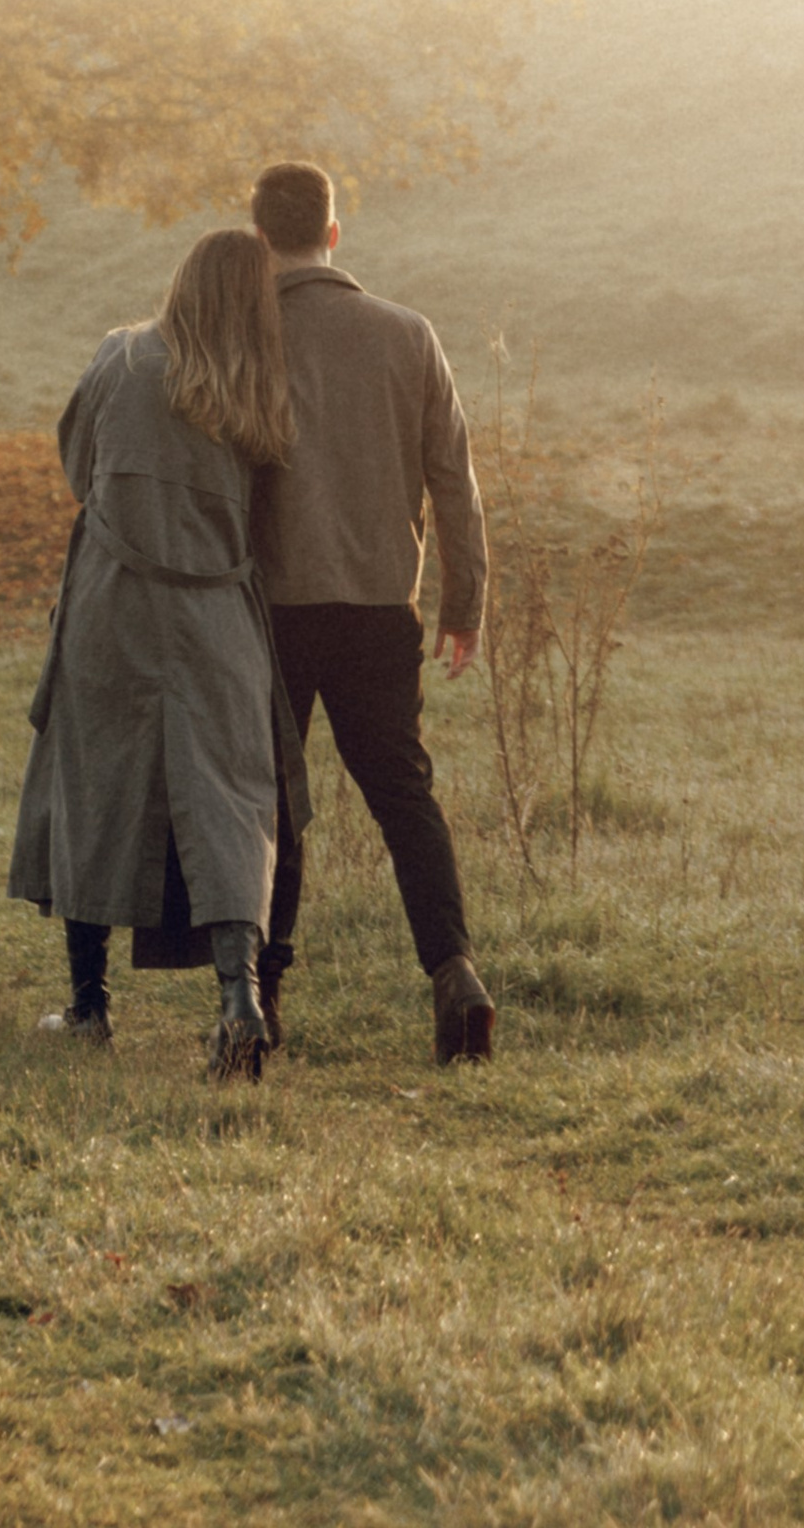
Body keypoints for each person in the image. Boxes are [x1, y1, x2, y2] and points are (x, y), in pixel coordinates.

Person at [8, 226, 311, 1079]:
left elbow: (78, 465)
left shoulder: (123, 356)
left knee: (97, 785)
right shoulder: (261, 390)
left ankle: (89, 1006)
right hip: (219, 615)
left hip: (117, 607)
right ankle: (239, 1001)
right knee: (231, 801)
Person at [248, 156, 496, 1065]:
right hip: (380, 609)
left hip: (270, 610)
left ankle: (260, 998)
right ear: (334, 233)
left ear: (259, 239)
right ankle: (456, 974)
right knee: (403, 797)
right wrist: (462, 601)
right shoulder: (408, 334)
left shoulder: (241, 333)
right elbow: (456, 484)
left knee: (272, 802)